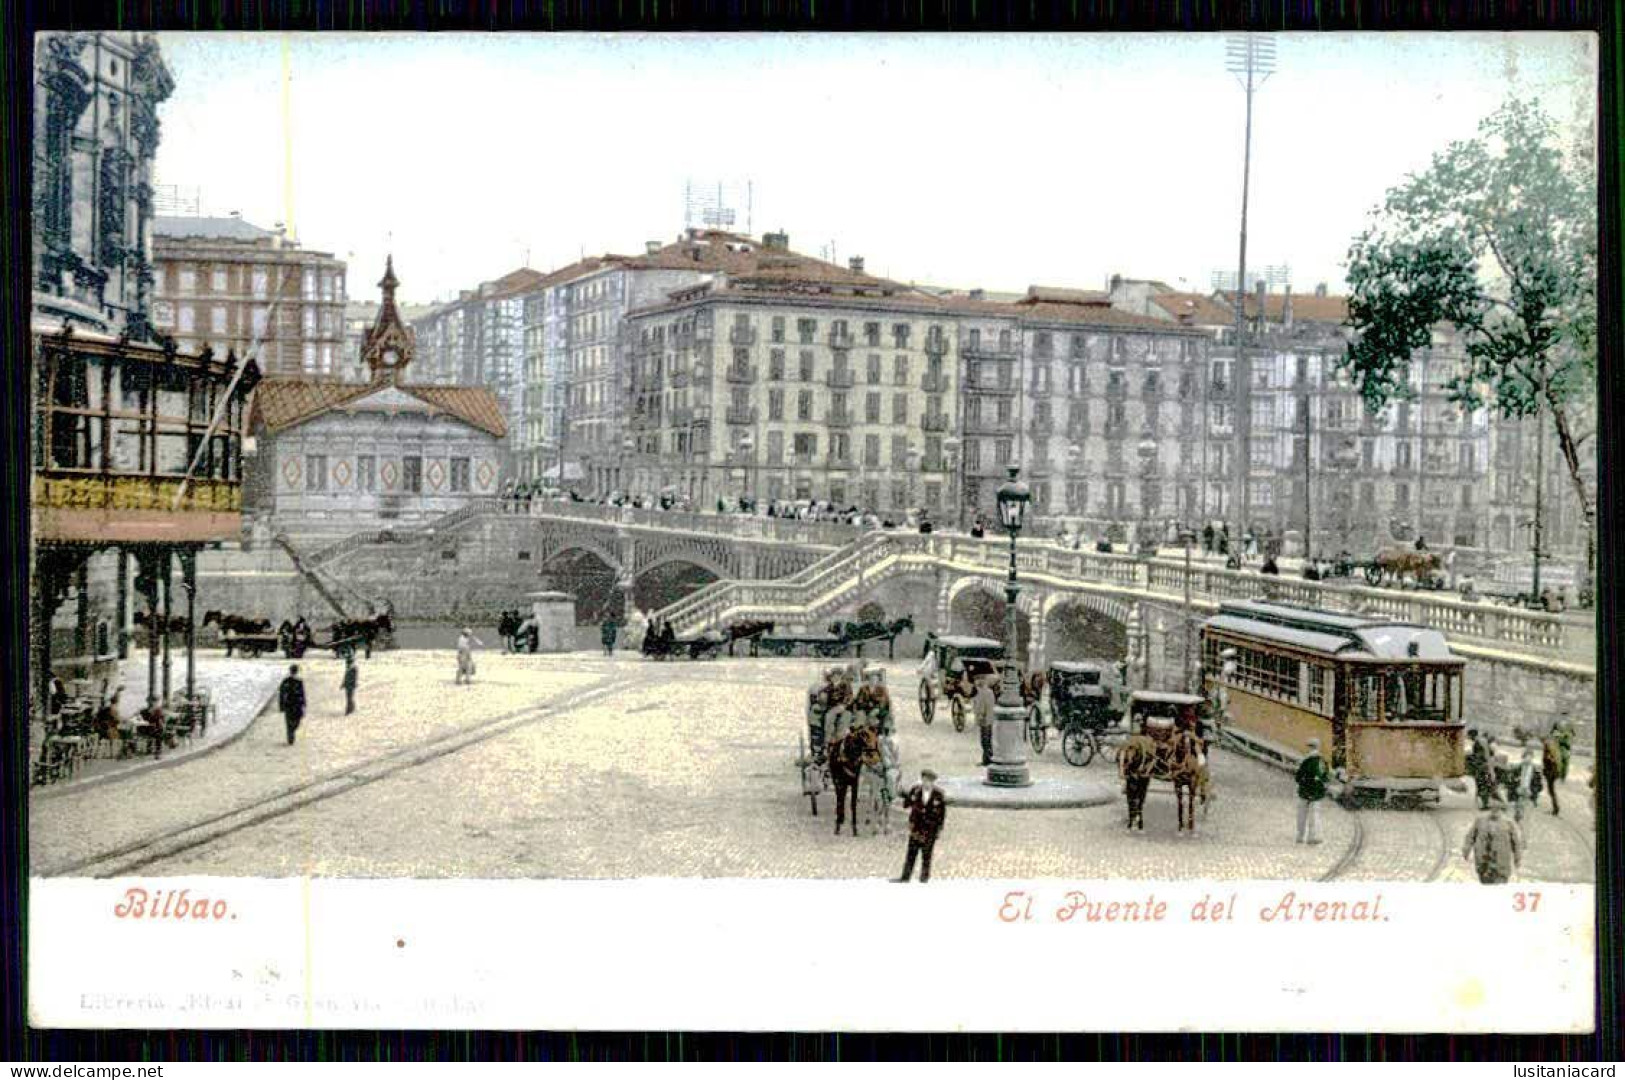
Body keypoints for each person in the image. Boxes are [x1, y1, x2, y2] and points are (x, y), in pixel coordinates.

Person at [895, 768, 947, 883]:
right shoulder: (916, 791)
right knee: (911, 854)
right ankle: (905, 877)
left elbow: (942, 814)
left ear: (933, 782)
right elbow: (906, 804)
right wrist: (905, 795)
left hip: (930, 829)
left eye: (929, 781)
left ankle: (924, 878)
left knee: (927, 855)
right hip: (916, 828)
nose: (926, 783)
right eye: (925, 780)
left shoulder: (938, 794)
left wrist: (939, 829)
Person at [1462, 801, 1522, 884]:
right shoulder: (1480, 821)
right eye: (1493, 808)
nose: (1495, 811)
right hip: (1483, 863)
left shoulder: (1508, 823)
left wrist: (1517, 858)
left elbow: (1516, 842)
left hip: (1501, 863)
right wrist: (1466, 849)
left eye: (1497, 808)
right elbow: (1470, 836)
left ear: (1501, 809)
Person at [1119, 720, 1156, 831]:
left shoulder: (1148, 744)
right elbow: (1122, 756)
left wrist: (1147, 769)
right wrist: (1122, 770)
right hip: (1131, 772)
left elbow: (1153, 759)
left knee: (1140, 796)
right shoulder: (1127, 744)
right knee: (1131, 796)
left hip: (1143, 772)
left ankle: (1138, 816)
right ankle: (1132, 818)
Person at [1294, 738, 1332, 844]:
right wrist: (1323, 786)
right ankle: (1313, 836)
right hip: (1317, 792)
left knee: (1301, 815)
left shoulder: (1305, 761)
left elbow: (1298, 776)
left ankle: (1300, 836)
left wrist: (1303, 782)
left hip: (1304, 791)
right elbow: (1325, 776)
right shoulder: (1322, 761)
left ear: (1309, 747)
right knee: (1315, 815)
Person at [1466, 729, 1496, 811]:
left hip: (1481, 767)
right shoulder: (1482, 741)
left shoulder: (1478, 743)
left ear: (1472, 735)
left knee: (1482, 785)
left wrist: (1471, 758)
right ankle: (1484, 803)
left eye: (1469, 736)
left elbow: (1479, 755)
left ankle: (1484, 804)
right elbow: (1490, 753)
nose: (1468, 738)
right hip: (1485, 766)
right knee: (1485, 784)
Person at [1510, 747, 1541, 823]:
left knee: (1524, 808)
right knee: (1518, 806)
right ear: (1523, 757)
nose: (1528, 759)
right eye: (1526, 757)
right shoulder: (1518, 767)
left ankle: (1520, 818)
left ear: (1532, 758)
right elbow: (1512, 780)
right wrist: (1515, 784)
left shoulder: (1535, 769)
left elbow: (1538, 784)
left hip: (1528, 791)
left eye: (1530, 757)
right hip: (1519, 790)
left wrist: (1533, 794)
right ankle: (1517, 816)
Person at [279, 665, 306, 746]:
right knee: (291, 720)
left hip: (293, 704)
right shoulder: (286, 681)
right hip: (292, 704)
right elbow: (282, 694)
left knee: (293, 721)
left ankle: (291, 731)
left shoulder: (298, 681)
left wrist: (303, 703)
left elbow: (302, 693)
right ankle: (290, 736)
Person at [974, 673, 997, 767]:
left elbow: (982, 707)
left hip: (985, 720)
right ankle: (987, 758)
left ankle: (987, 759)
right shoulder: (989, 692)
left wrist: (980, 716)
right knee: (987, 740)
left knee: (985, 741)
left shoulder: (983, 693)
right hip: (989, 719)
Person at [1540, 732, 1562, 816]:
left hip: (1551, 773)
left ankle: (1556, 809)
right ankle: (1555, 808)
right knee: (1551, 791)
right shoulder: (1552, 748)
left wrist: (1549, 772)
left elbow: (1551, 761)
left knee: (1551, 791)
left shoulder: (1549, 749)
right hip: (1552, 772)